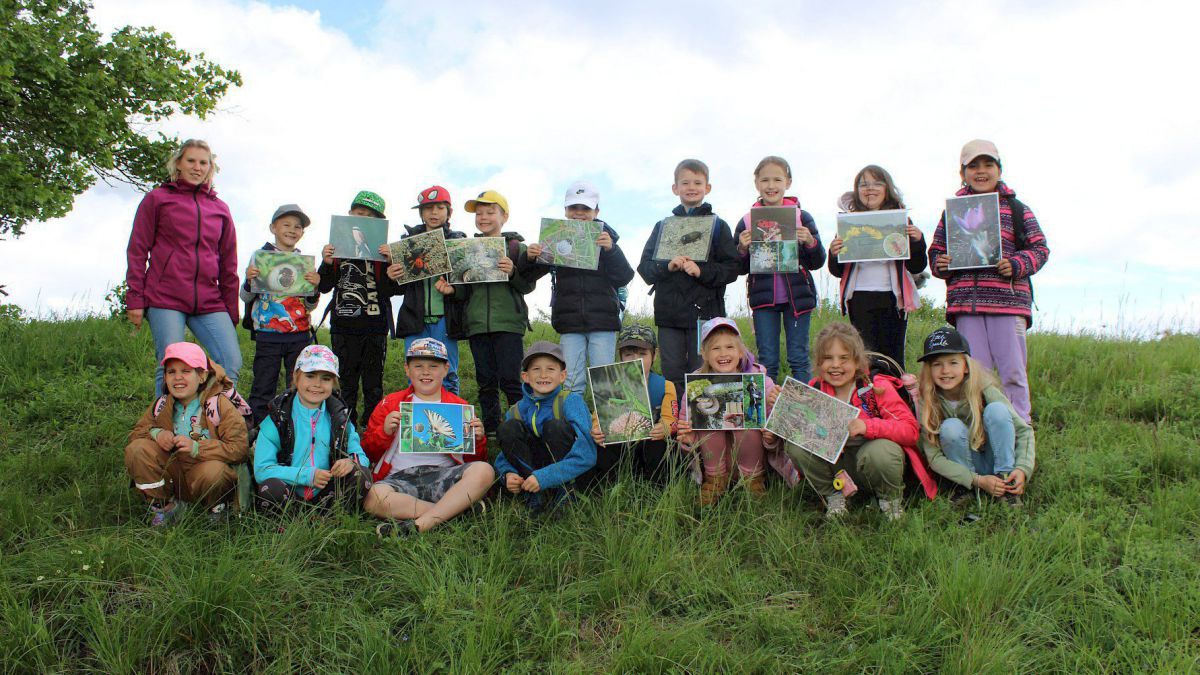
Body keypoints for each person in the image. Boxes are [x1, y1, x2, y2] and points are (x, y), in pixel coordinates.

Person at [929, 140, 1050, 423]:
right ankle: (982, 429)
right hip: (966, 306)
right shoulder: (953, 211)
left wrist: (1018, 264)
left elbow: (1040, 248)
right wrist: (942, 263)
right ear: (963, 173)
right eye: (973, 166)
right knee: (973, 374)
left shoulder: (1017, 209)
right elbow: (936, 252)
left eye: (987, 165)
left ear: (999, 169)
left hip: (1007, 304)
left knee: (1013, 373)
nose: (981, 171)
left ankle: (1021, 429)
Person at [781, 323, 937, 520]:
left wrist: (868, 426)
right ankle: (835, 496)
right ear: (819, 363)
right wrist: (782, 406)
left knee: (881, 451)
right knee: (796, 443)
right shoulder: (816, 388)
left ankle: (890, 501)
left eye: (844, 358)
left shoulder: (876, 386)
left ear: (857, 361)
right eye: (828, 358)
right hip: (838, 468)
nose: (835, 365)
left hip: (874, 464)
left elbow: (910, 430)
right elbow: (800, 429)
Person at [125, 138, 242, 395]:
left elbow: (228, 264)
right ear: (178, 164)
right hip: (166, 297)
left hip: (209, 300)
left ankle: (212, 423)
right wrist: (135, 298)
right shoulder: (158, 199)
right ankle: (163, 427)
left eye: (203, 162)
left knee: (230, 363)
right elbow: (137, 249)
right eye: (191, 160)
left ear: (210, 168)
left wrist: (230, 311)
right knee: (171, 363)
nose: (197, 167)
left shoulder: (220, 209)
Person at [361, 338, 493, 536]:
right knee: (373, 499)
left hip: (444, 477)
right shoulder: (390, 403)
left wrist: (478, 439)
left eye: (433, 366)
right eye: (418, 366)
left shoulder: (459, 407)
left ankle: (416, 526)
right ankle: (455, 513)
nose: (425, 372)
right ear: (407, 369)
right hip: (400, 479)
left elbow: (475, 461)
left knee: (485, 471)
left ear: (446, 369)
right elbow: (368, 453)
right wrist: (385, 431)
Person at [519, 180, 635, 395]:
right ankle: (575, 427)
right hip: (569, 323)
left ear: (596, 211)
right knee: (572, 381)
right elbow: (528, 277)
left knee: (605, 379)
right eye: (573, 208)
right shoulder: (555, 238)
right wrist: (530, 258)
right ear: (565, 210)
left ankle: (606, 426)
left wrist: (611, 251)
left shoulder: (606, 240)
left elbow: (624, 277)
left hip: (603, 323)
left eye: (585, 208)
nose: (579, 213)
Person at [637, 159, 741, 394]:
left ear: (708, 187)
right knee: (672, 371)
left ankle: (702, 427)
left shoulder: (718, 226)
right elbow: (644, 268)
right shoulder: (663, 226)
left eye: (697, 182)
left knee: (702, 370)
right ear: (675, 188)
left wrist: (701, 271)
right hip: (669, 313)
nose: (691, 187)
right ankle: (675, 426)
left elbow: (732, 268)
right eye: (685, 182)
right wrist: (667, 266)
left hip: (705, 315)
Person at [124, 342, 249, 526]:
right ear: (164, 377)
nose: (178, 378)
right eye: (171, 372)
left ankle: (216, 511)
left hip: (204, 473)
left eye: (186, 371)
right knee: (137, 450)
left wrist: (197, 447)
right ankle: (163, 508)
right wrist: (157, 433)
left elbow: (239, 449)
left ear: (202, 376)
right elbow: (136, 434)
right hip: (174, 474)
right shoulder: (162, 404)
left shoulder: (218, 404)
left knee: (215, 472)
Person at [676, 318, 798, 506]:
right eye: (716, 348)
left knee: (743, 419)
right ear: (705, 354)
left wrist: (774, 414)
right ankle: (715, 482)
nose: (723, 353)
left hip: (753, 459)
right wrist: (687, 437)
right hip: (714, 463)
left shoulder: (759, 382)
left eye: (729, 347)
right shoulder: (696, 385)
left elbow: (775, 426)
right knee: (709, 419)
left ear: (740, 352)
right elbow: (686, 430)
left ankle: (754, 481)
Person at [443, 190, 534, 435]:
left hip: (509, 324)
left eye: (490, 212)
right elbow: (465, 292)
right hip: (476, 325)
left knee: (512, 379)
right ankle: (492, 429)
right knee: (485, 381)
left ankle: (520, 427)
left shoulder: (517, 248)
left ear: (504, 216)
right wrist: (452, 290)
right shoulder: (466, 249)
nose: (483, 217)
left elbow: (527, 285)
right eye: (479, 213)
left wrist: (513, 271)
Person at [915, 327, 1034, 506]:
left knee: (997, 411)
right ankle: (966, 488)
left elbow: (1024, 431)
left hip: (994, 456)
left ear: (966, 366)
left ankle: (1006, 483)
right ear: (929, 369)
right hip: (965, 468)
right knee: (950, 427)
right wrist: (977, 480)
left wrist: (1023, 468)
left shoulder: (984, 389)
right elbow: (933, 457)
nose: (945, 370)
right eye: (937, 364)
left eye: (953, 362)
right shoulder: (928, 401)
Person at [733, 156, 825, 383]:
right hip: (763, 301)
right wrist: (742, 249)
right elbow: (738, 268)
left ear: (788, 182)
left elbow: (818, 261)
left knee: (799, 358)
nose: (771, 186)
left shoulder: (802, 216)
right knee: (767, 360)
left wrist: (810, 242)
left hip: (798, 300)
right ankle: (764, 414)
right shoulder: (747, 220)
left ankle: (804, 414)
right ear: (756, 183)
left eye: (777, 179)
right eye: (765, 180)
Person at [828, 165, 928, 368]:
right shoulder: (848, 222)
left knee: (893, 358)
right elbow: (837, 271)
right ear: (856, 191)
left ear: (887, 189)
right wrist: (833, 253)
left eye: (877, 183)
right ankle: (866, 398)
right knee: (865, 358)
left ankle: (897, 398)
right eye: (863, 184)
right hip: (859, 297)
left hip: (893, 299)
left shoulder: (901, 220)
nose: (870, 188)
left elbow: (917, 265)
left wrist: (917, 241)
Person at [252, 345, 372, 513]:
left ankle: (337, 520)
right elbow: (262, 470)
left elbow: (361, 457)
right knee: (271, 488)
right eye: (310, 376)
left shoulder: (340, 418)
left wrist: (350, 462)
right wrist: (306, 475)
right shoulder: (277, 419)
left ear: (334, 384)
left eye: (326, 378)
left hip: (328, 493)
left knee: (361, 473)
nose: (317, 384)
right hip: (290, 491)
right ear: (296, 377)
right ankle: (285, 526)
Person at [317, 190, 399, 427]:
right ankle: (344, 427)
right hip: (343, 326)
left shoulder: (383, 252)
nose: (363, 219)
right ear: (350, 214)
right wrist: (327, 262)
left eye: (370, 217)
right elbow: (323, 286)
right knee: (346, 381)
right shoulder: (337, 248)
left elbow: (389, 291)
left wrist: (391, 265)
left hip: (375, 327)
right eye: (359, 213)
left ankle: (373, 428)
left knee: (373, 383)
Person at [240, 204, 322, 425]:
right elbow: (245, 297)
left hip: (299, 335)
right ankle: (258, 430)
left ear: (302, 233)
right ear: (273, 228)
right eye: (286, 224)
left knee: (298, 385)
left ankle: (293, 428)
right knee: (263, 384)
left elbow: (310, 306)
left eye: (298, 227)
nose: (292, 230)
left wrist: (315, 287)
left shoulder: (304, 263)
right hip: (268, 334)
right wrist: (249, 281)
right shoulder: (260, 258)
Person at [493, 341, 597, 512]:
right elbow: (504, 453)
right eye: (536, 369)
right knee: (507, 428)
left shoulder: (571, 401)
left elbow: (587, 453)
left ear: (562, 376)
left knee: (555, 427)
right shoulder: (517, 409)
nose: (543, 375)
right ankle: (532, 493)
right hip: (533, 469)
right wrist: (507, 473)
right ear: (525, 376)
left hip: (568, 469)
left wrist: (544, 477)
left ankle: (566, 491)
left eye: (550, 369)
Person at [390, 185, 467, 394]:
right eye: (428, 208)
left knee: (448, 372)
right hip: (415, 318)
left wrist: (454, 291)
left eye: (440, 208)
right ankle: (416, 423)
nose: (434, 213)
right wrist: (393, 276)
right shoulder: (407, 243)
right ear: (421, 213)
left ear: (449, 212)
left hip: (446, 319)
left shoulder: (458, 241)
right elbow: (396, 288)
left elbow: (468, 284)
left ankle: (451, 420)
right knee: (415, 374)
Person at [589, 324, 679, 484]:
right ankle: (610, 486)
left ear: (655, 355)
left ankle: (655, 486)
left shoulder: (665, 386)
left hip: (650, 445)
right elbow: (597, 415)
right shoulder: (610, 385)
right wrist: (596, 429)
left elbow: (671, 418)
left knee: (661, 445)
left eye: (643, 354)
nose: (635, 359)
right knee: (602, 448)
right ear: (620, 356)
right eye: (629, 354)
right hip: (621, 445)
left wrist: (665, 426)